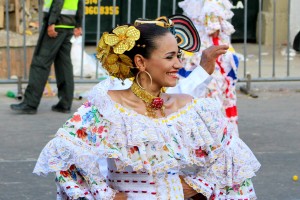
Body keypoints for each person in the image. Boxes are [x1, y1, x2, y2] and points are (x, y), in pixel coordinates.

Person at [33, 16, 260, 199]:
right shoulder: (107, 108)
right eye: (170, 57)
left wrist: (197, 185)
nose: (179, 64)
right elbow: (66, 158)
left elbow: (231, 159)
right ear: (141, 62)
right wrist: (107, 195)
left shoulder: (191, 108)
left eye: (178, 56)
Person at [10, 0, 83, 114]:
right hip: (69, 25)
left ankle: (30, 103)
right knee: (64, 65)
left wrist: (51, 22)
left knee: (40, 63)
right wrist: (78, 24)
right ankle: (65, 104)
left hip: (57, 25)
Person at [179, 0, 240, 136]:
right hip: (210, 51)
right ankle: (214, 132)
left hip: (194, 48)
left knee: (196, 91)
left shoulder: (195, 3)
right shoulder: (212, 5)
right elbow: (214, 31)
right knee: (213, 91)